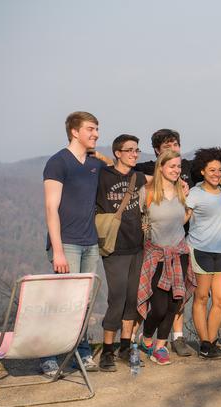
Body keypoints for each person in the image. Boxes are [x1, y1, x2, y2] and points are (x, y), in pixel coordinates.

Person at [41, 111, 104, 376]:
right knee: (63, 302)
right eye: (91, 129)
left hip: (90, 242)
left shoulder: (94, 164)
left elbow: (123, 172)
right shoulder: (58, 162)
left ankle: (82, 350)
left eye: (97, 129)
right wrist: (57, 251)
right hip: (66, 244)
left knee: (84, 302)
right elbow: (50, 208)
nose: (96, 133)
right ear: (74, 132)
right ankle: (50, 357)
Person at [134, 129, 197, 357]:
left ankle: (160, 347)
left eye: (179, 167)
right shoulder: (147, 192)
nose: (176, 171)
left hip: (179, 252)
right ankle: (147, 338)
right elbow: (140, 219)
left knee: (174, 304)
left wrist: (189, 210)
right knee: (159, 306)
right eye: (172, 167)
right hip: (156, 254)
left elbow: (182, 219)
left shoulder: (183, 191)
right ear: (161, 167)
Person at [95, 134, 148, 372]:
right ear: (117, 153)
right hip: (114, 248)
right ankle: (107, 350)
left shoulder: (137, 178)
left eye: (136, 150)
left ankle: (125, 347)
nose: (134, 154)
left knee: (132, 299)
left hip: (137, 246)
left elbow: (164, 178)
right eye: (129, 150)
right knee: (116, 298)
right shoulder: (103, 176)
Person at [186, 148, 221, 359]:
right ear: (202, 171)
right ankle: (204, 343)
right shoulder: (195, 194)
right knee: (202, 297)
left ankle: (212, 341)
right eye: (211, 170)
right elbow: (182, 218)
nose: (216, 173)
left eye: (219, 170)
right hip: (201, 250)